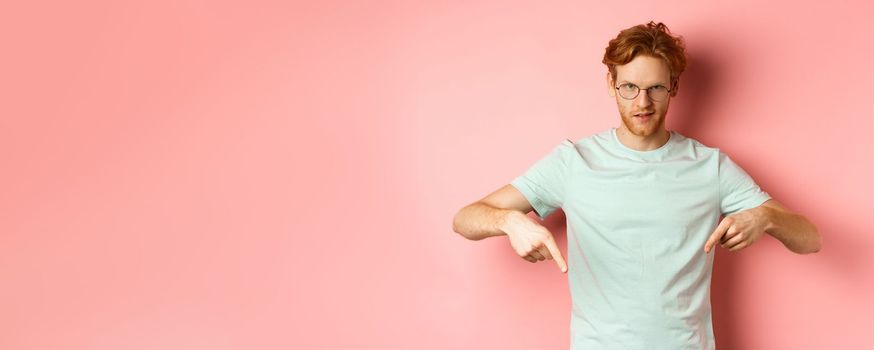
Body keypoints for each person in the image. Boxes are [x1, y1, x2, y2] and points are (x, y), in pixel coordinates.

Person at [451, 21, 822, 350]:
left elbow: (810, 238)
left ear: (674, 86)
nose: (642, 103)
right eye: (629, 87)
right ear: (611, 84)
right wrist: (510, 222)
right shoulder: (573, 162)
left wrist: (764, 218)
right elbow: (466, 218)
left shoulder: (710, 166)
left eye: (655, 87)